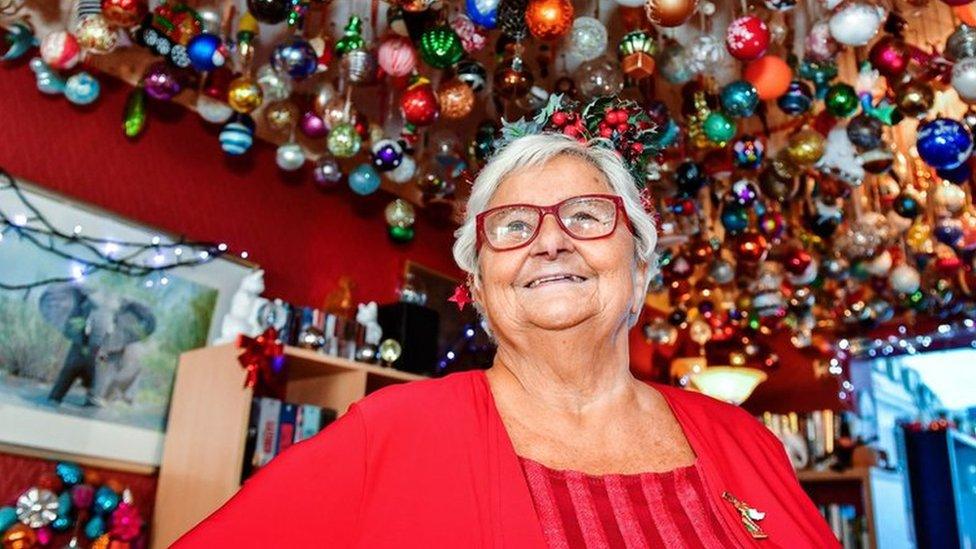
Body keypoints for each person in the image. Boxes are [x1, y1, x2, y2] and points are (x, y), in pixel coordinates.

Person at [175, 130, 837, 548]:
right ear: (482, 287)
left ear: (639, 273)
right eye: (514, 225)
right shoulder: (389, 433)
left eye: (585, 214)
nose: (551, 240)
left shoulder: (745, 441)